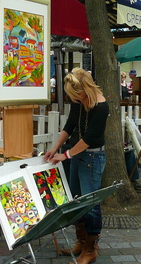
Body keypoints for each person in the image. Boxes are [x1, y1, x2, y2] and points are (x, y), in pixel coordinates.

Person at [44, 68, 109, 264]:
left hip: (92, 158)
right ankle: (81, 242)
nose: (74, 99)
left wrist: (65, 155)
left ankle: (90, 249)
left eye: (76, 95)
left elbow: (89, 139)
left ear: (86, 89)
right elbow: (69, 126)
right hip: (76, 156)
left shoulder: (101, 106)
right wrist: (55, 148)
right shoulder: (79, 100)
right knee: (76, 200)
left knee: (90, 204)